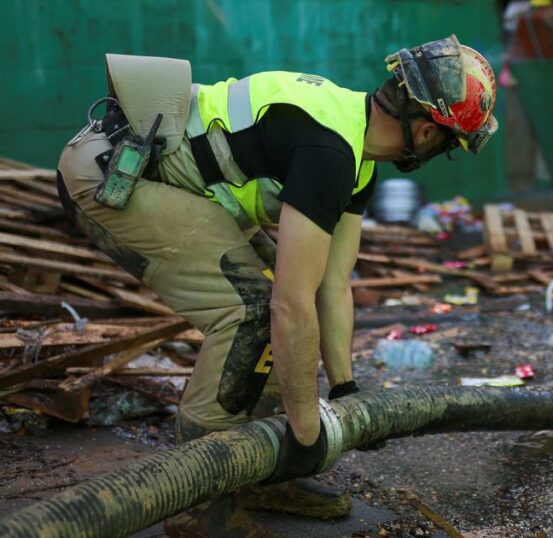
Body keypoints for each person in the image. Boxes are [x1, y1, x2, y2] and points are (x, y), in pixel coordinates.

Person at [55, 35, 497, 535]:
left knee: (269, 305)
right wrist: (308, 432)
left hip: (162, 177)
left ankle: (263, 473)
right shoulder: (329, 148)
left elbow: (332, 284)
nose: (442, 153)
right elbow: (291, 303)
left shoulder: (357, 156)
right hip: (113, 172)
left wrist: (346, 387)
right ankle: (200, 507)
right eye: (449, 143)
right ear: (426, 128)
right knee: (248, 311)